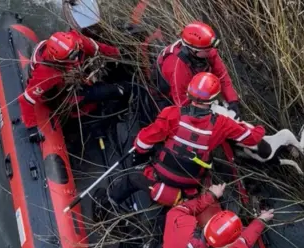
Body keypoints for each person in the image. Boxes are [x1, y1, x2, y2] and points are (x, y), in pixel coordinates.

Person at [106, 72, 272, 208]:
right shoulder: (223, 123)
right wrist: (258, 128)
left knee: (131, 179)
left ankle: (110, 201)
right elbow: (252, 138)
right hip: (191, 182)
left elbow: (143, 140)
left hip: (162, 174)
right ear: (213, 99)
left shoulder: (172, 113)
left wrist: (140, 153)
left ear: (189, 93)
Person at [18, 30, 127, 131]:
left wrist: (117, 53)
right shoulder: (46, 73)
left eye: (76, 52)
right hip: (58, 92)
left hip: (73, 75)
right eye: (72, 56)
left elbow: (97, 47)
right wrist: (32, 127)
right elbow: (26, 99)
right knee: (94, 96)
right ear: (58, 60)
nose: (75, 58)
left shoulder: (76, 40)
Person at [154, 183, 275, 248]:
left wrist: (210, 195)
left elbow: (179, 210)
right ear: (230, 244)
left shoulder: (182, 234)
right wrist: (261, 220)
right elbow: (245, 241)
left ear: (209, 224)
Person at [154, 21, 241, 117]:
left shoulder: (207, 50)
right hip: (169, 96)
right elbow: (182, 103)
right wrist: (205, 115)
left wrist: (232, 101)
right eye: (207, 50)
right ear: (194, 50)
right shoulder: (177, 66)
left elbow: (222, 76)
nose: (211, 51)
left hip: (196, 86)